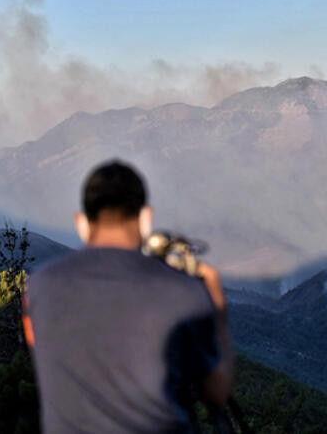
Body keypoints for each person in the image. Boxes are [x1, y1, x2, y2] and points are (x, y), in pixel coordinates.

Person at [23, 160, 233, 433]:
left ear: (81, 223)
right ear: (146, 218)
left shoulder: (40, 286)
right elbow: (216, 391)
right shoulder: (182, 293)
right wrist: (216, 303)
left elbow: (38, 345)